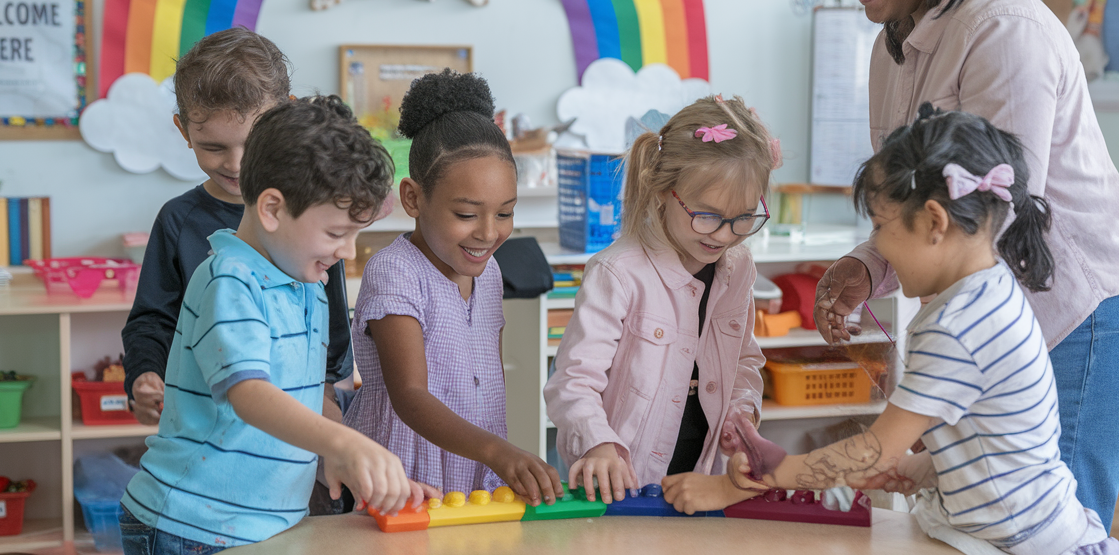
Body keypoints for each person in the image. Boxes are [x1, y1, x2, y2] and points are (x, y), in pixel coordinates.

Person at [810, 0, 1119, 531]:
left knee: (1045, 527)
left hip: (1085, 307)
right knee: (975, 517)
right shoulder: (894, 47)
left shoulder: (1005, 30)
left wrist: (932, 385)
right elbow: (914, 203)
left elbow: (985, 215)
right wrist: (868, 264)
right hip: (1004, 310)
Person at [668, 106, 1119, 555]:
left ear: (933, 221)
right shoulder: (988, 294)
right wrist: (924, 469)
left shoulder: (958, 325)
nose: (878, 244)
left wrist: (756, 478)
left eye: (881, 225)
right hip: (1017, 531)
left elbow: (875, 450)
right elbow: (999, 436)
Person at [119, 96, 437, 554]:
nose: (348, 251)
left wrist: (345, 460)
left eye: (355, 235)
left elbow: (303, 396)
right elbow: (250, 395)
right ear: (271, 209)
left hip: (259, 525)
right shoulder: (230, 278)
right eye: (335, 234)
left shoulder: (305, 279)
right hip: (187, 527)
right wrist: (346, 443)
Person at [120, 28, 354, 437]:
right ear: (183, 130)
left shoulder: (310, 213)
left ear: (288, 118)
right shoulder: (178, 221)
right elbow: (152, 320)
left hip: (302, 425)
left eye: (252, 141)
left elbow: (332, 320)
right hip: (207, 430)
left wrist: (331, 397)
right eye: (213, 147)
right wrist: (145, 374)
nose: (236, 164)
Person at [342, 70, 562, 505]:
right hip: (405, 483)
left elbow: (487, 384)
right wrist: (497, 451)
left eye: (505, 213)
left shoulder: (490, 272)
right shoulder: (395, 272)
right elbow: (410, 395)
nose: (487, 233)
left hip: (472, 480)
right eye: (466, 214)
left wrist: (499, 458)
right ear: (413, 199)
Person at [543, 95, 774, 503]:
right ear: (665, 191)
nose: (722, 235)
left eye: (742, 218)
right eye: (706, 215)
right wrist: (598, 444)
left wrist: (742, 413)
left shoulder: (737, 268)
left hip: (698, 477)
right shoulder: (618, 272)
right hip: (618, 480)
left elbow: (743, 360)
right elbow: (573, 382)